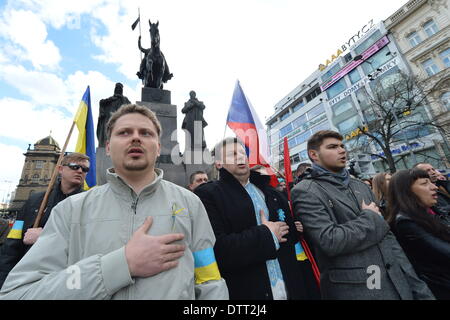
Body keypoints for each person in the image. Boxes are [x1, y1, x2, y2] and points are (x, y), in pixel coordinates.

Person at [0, 104, 228, 300]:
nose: (136, 137)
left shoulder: (191, 204)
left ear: (158, 147)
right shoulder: (69, 210)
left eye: (146, 133)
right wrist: (120, 265)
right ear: (108, 147)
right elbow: (18, 293)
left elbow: (209, 281)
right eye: (125, 132)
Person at [291, 130, 434, 300]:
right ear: (314, 155)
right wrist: (370, 218)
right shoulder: (305, 191)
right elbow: (329, 241)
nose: (342, 150)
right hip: (357, 290)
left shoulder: (361, 186)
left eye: (342, 146)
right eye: (333, 147)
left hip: (398, 285)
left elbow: (388, 238)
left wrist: (417, 287)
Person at [195, 137, 320, 300]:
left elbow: (293, 242)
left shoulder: (273, 193)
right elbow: (219, 249)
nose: (240, 157)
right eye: (233, 154)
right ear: (218, 163)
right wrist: (266, 235)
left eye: (242, 153)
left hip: (290, 287)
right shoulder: (208, 195)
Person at [0, 152, 88, 289]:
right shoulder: (35, 200)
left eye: (85, 169)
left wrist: (45, 237)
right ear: (60, 169)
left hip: (64, 279)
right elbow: (13, 242)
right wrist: (4, 279)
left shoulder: (89, 203)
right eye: (74, 166)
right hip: (27, 275)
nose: (80, 171)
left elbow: (88, 243)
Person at [386, 168, 450, 299]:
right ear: (407, 191)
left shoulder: (433, 211)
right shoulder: (405, 222)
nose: (434, 187)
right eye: (424, 183)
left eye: (431, 182)